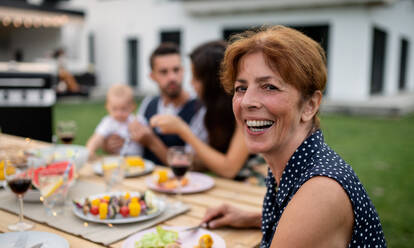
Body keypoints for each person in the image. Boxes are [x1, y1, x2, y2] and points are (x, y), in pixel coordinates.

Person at [201, 26, 386, 247]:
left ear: (310, 105)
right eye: (241, 88)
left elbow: (313, 215)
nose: (247, 101)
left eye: (269, 87)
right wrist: (252, 218)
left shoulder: (320, 192)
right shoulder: (294, 163)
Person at [150, 41, 252, 179]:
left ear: (211, 82)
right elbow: (200, 161)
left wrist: (183, 130)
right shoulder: (211, 110)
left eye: (196, 78)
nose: (191, 83)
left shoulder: (245, 109)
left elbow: (229, 169)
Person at [103, 43, 206, 165]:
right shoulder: (148, 103)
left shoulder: (199, 109)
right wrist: (110, 144)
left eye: (176, 70)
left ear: (183, 71)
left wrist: (152, 142)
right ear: (152, 76)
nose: (172, 77)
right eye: (164, 72)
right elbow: (132, 139)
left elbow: (193, 164)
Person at [86, 83, 143, 159]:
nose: (119, 113)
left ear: (132, 106)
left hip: (137, 160)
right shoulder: (108, 122)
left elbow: (146, 137)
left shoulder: (137, 120)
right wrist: (90, 150)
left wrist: (137, 133)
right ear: (107, 107)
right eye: (114, 109)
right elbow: (97, 138)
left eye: (124, 109)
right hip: (116, 160)